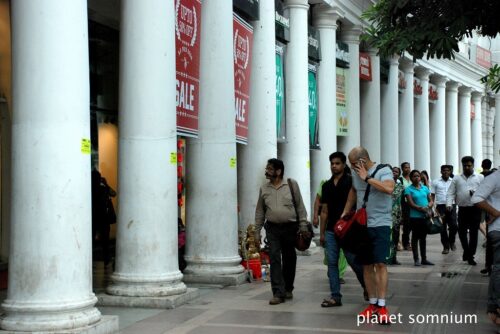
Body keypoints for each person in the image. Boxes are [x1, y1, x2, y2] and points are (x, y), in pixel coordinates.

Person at [342, 147, 394, 324]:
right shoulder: (357, 174)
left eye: (354, 164)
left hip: (381, 224)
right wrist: (345, 213)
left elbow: (389, 188)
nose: (352, 167)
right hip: (362, 224)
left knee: (380, 263)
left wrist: (368, 178)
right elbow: (354, 192)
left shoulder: (383, 170)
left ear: (363, 161)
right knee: (366, 265)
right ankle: (372, 304)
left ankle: (382, 306)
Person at [254, 158, 310, 305]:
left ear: (278, 171)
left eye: (270, 169)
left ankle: (288, 288)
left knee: (289, 258)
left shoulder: (291, 185)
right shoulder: (264, 189)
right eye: (267, 168)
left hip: (290, 228)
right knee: (274, 258)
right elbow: (260, 211)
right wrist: (256, 231)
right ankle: (278, 292)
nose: (267, 171)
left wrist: (303, 226)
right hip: (272, 229)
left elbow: (300, 207)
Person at [319, 152, 366, 307]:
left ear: (344, 164)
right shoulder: (326, 186)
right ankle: (335, 296)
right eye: (332, 163)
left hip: (349, 230)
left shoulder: (351, 182)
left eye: (337, 163)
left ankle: (367, 287)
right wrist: (322, 233)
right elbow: (324, 210)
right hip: (331, 230)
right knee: (332, 263)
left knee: (354, 261)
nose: (334, 166)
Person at [471, 169, 500, 328]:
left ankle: (494, 307)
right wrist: (496, 212)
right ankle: (495, 307)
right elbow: (476, 198)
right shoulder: (495, 178)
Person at [446, 156, 484, 265]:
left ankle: (470, 255)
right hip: (462, 209)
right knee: (462, 232)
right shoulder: (457, 178)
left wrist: (476, 193)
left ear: (473, 165)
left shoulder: (480, 177)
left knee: (473, 234)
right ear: (462, 165)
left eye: (469, 165)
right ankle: (466, 251)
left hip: (475, 209)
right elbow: (450, 193)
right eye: (465, 165)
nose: (467, 167)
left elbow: (485, 192)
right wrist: (449, 204)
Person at [405, 170, 434, 266]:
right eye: (414, 176)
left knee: (423, 238)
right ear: (411, 178)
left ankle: (424, 259)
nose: (417, 178)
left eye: (418, 176)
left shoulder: (425, 188)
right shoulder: (408, 189)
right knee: (415, 238)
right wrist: (420, 208)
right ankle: (416, 259)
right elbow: (410, 203)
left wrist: (428, 207)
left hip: (425, 216)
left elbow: (430, 200)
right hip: (415, 217)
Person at [91, 170, 117, 266]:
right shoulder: (103, 189)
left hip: (93, 218)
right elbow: (113, 193)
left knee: (92, 241)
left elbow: (114, 194)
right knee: (105, 241)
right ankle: (106, 259)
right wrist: (106, 184)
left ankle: (92, 259)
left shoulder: (89, 189)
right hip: (103, 218)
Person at [431, 165, 457, 254]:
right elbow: (432, 195)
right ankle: (446, 247)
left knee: (454, 225)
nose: (446, 172)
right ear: (441, 172)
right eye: (444, 170)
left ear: (450, 172)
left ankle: (452, 241)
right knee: (442, 227)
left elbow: (456, 194)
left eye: (448, 170)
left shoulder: (454, 181)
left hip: (452, 206)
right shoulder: (435, 182)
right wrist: (432, 208)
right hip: (440, 207)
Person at [388, 166, 405, 265]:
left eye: (397, 171)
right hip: (386, 213)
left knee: (395, 236)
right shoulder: (385, 184)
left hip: (397, 214)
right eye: (393, 171)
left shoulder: (400, 186)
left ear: (399, 174)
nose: (394, 172)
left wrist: (402, 215)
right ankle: (387, 257)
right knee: (387, 236)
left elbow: (402, 202)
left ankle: (394, 257)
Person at [400, 162, 413, 251]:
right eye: (405, 167)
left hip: (415, 204)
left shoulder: (413, 178)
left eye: (408, 167)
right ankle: (406, 243)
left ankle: (410, 241)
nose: (407, 169)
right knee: (406, 224)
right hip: (405, 204)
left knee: (412, 224)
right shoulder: (400, 180)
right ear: (402, 169)